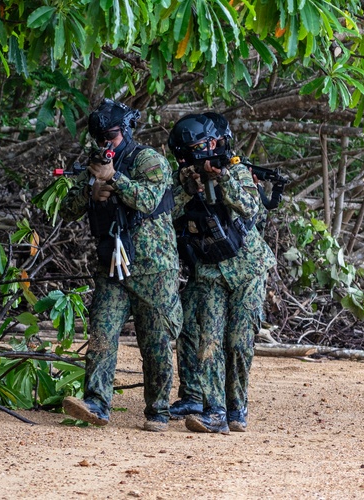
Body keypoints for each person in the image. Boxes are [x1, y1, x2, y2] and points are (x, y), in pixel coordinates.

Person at [59, 98, 182, 432]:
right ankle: (96, 403)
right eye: (99, 139)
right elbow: (66, 209)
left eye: (110, 137)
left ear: (125, 132)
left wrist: (115, 179)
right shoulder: (95, 162)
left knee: (155, 342)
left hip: (154, 268)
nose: (104, 145)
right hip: (112, 264)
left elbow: (149, 199)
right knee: (102, 332)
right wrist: (91, 190)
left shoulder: (149, 159)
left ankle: (158, 409)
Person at [168, 113, 276, 433]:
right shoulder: (183, 178)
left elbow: (250, 207)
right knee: (209, 340)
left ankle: (236, 408)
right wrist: (188, 188)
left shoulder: (238, 170)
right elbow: (163, 213)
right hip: (210, 272)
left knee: (239, 342)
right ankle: (214, 411)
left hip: (248, 269)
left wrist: (223, 176)